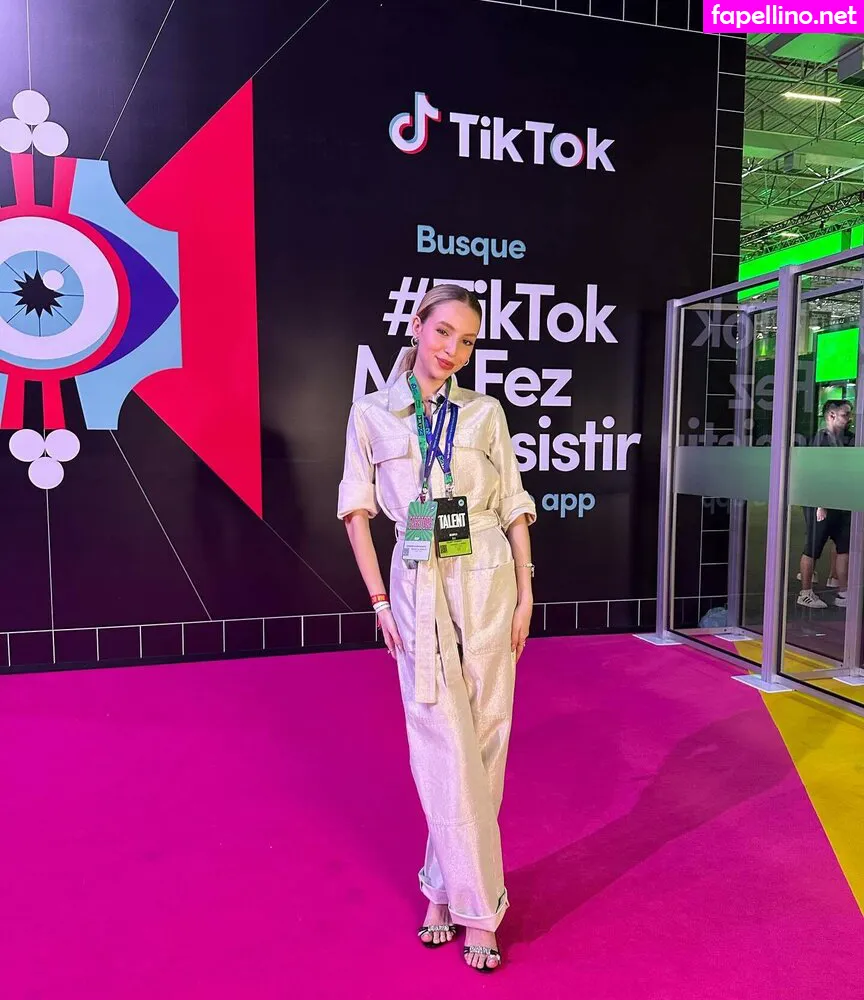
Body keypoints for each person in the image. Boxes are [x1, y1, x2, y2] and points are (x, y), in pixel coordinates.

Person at [337, 284, 536, 973]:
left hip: (487, 571)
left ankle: (442, 889)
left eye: (468, 340)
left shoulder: (485, 412)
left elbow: (512, 502)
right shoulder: (371, 412)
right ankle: (480, 909)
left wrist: (527, 591)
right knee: (440, 735)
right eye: (444, 331)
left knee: (486, 733)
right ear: (417, 325)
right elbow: (357, 512)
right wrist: (377, 601)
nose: (453, 349)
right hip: (416, 576)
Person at [798, 399, 853, 610]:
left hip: (839, 501)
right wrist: (820, 503)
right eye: (845, 415)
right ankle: (805, 593)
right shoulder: (819, 441)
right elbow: (815, 473)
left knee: (844, 547)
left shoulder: (847, 439)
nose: (849, 419)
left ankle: (843, 591)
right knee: (813, 547)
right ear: (831, 415)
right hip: (820, 501)